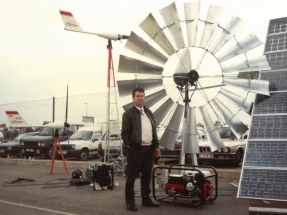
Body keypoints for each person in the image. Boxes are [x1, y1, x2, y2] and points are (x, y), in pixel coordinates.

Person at [121, 87, 161, 212]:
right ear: (133, 98)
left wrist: (156, 146)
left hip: (149, 150)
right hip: (135, 150)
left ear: (144, 97)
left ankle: (145, 199)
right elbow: (125, 133)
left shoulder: (149, 113)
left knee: (146, 176)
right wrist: (129, 149)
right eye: (137, 96)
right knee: (131, 177)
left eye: (142, 95)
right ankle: (130, 202)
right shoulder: (128, 114)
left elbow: (153, 131)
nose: (140, 98)